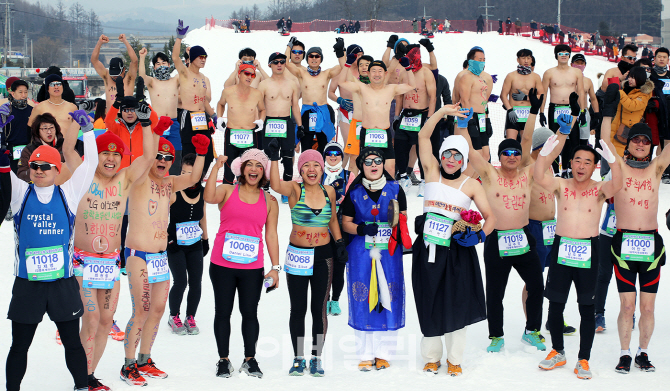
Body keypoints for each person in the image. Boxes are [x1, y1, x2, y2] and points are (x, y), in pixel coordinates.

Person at [455, 97, 572, 353]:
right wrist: (462, 127)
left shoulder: (528, 174)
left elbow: (550, 154)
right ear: (500, 157)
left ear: (521, 157)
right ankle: (496, 336)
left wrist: (563, 131)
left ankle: (532, 331)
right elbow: (471, 153)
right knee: (495, 292)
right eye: (506, 153)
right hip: (496, 238)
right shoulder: (489, 173)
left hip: (523, 236)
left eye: (516, 153)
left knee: (536, 285)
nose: (512, 156)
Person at [75, 106, 168, 391]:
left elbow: (149, 157)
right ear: (95, 156)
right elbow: (68, 152)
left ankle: (89, 376)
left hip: (111, 263)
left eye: (117, 154)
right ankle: (81, 378)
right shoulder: (82, 177)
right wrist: (81, 130)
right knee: (90, 318)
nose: (112, 159)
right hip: (83, 260)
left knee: (104, 321)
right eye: (106, 153)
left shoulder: (125, 180)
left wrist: (145, 124)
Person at [5, 111, 97, 391]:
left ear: (57, 170)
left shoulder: (67, 193)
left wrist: (89, 131)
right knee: (20, 345)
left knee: (72, 343)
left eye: (46, 166)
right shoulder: (21, 191)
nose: (39, 170)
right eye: (35, 166)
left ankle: (82, 386)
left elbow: (90, 164)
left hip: (61, 285)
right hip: (28, 285)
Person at [534, 112, 622, 381]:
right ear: (570, 162)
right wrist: (550, 146)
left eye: (588, 161)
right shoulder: (561, 184)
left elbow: (618, 184)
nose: (582, 166)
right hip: (562, 249)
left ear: (595, 166)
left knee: (586, 308)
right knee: (556, 304)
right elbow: (539, 175)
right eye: (577, 160)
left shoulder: (599, 189)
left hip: (588, 250)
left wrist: (613, 160)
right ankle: (558, 351)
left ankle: (583, 358)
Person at [120, 134, 210, 386]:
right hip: (138, 254)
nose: (162, 161)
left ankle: (145, 359)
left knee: (158, 310)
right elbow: (144, 158)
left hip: (160, 257)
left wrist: (201, 153)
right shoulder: (138, 178)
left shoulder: (170, 183)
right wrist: (151, 135)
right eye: (158, 156)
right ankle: (128, 365)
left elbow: (193, 178)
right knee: (141, 310)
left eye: (168, 158)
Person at [413, 105, 495, 375]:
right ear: (441, 156)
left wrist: (479, 235)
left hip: (457, 253)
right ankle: (432, 356)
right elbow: (423, 137)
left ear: (463, 160)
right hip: (427, 250)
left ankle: (455, 359)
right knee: (429, 301)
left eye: (457, 156)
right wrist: (441, 113)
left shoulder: (470, 183)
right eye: (447, 153)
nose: (451, 159)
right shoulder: (431, 172)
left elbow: (489, 217)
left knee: (456, 303)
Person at [596, 84, 667, 373]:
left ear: (651, 145)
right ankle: (625, 353)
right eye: (636, 140)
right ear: (630, 144)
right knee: (627, 307)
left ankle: (643, 352)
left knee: (648, 308)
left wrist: (665, 116)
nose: (640, 144)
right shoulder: (620, 168)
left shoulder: (656, 168)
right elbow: (604, 141)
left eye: (645, 141)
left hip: (651, 245)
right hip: (624, 243)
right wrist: (608, 113)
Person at [266, 141, 348, 376]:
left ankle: (316, 357)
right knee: (298, 308)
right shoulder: (294, 189)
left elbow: (332, 219)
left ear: (322, 170)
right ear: (300, 171)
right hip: (298, 256)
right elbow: (274, 184)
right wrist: (274, 158)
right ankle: (298, 357)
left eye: (316, 165)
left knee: (319, 309)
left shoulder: (329, 191)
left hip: (324, 256)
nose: (312, 170)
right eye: (306, 166)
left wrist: (340, 242)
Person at [204, 149, 279, 378]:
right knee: (223, 312)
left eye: (259, 165)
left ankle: (250, 358)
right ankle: (223, 359)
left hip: (251, 268)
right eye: (250, 164)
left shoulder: (270, 200)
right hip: (222, 265)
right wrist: (216, 167)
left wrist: (275, 268)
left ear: (263, 171)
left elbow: (271, 235)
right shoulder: (227, 190)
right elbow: (208, 198)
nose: (254, 169)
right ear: (241, 168)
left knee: (249, 312)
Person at [340, 146, 409, 371]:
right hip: (361, 253)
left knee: (389, 294)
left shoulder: (396, 190)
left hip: (389, 252)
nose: (373, 165)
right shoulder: (354, 192)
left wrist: (396, 229)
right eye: (368, 162)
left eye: (377, 161)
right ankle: (365, 353)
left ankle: (384, 353)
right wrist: (361, 229)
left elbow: (403, 220)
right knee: (363, 295)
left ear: (383, 165)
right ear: (361, 166)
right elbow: (345, 222)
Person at [338, 55, 416, 181]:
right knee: (367, 168)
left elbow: (411, 85)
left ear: (385, 74)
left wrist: (408, 68)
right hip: (367, 132)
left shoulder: (391, 89)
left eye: (380, 71)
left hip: (384, 133)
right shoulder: (362, 88)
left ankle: (388, 196)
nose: (377, 74)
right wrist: (347, 64)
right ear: (368, 74)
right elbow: (342, 82)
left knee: (390, 168)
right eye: (373, 71)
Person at [165, 153, 209, 337]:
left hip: (194, 244)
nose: (186, 177)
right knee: (181, 281)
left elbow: (203, 215)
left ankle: (190, 317)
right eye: (183, 172)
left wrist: (206, 239)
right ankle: (173, 315)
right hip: (175, 245)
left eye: (191, 173)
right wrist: (166, 238)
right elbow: (159, 216)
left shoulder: (203, 192)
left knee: (196, 282)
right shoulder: (173, 192)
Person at [284, 37, 345, 154]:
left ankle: (322, 171)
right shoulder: (301, 73)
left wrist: (340, 51)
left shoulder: (326, 74)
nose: (314, 58)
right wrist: (289, 46)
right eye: (311, 56)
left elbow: (344, 67)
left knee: (323, 146)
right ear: (307, 58)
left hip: (323, 112)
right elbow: (286, 63)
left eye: (317, 56)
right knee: (306, 147)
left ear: (321, 59)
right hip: (307, 112)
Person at [258, 52, 304, 203]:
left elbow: (295, 106)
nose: (279, 64)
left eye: (282, 62)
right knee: (267, 156)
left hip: (286, 122)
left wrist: (300, 125)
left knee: (288, 156)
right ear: (269, 64)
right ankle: (264, 186)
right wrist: (258, 123)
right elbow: (259, 107)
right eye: (276, 62)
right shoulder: (264, 84)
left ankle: (287, 189)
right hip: (269, 122)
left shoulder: (292, 84)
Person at [173, 20, 216, 178]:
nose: (203, 59)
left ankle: (198, 177)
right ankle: (185, 180)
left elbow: (204, 100)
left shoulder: (204, 78)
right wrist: (179, 38)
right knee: (188, 152)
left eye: (205, 56)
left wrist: (214, 115)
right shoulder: (184, 73)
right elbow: (175, 57)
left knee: (208, 153)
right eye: (200, 57)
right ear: (192, 58)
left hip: (201, 118)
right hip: (188, 116)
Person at [394, 42, 436, 194]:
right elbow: (399, 97)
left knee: (422, 149)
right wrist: (396, 116)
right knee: (400, 146)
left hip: (422, 113)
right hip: (406, 114)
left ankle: (425, 180)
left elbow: (432, 97)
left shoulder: (426, 72)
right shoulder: (404, 72)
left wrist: (430, 118)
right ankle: (403, 176)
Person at [539, 45, 586, 178]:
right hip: (555, 108)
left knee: (573, 140)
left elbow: (581, 92)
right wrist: (541, 112)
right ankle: (557, 171)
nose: (564, 55)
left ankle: (569, 169)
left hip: (572, 109)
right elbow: (544, 93)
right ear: (556, 55)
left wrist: (582, 111)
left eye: (566, 53)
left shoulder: (576, 73)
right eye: (560, 53)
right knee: (555, 140)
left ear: (569, 55)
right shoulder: (549, 73)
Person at [216, 64, 266, 184]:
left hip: (250, 133)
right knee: (229, 167)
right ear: (239, 74)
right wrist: (219, 118)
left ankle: (248, 195)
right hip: (232, 132)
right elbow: (220, 104)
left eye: (252, 75)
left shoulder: (257, 93)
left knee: (249, 167)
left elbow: (262, 109)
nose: (249, 77)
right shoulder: (228, 91)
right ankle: (227, 194)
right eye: (246, 73)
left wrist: (261, 120)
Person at [139, 48, 183, 175]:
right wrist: (142, 58)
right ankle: (154, 180)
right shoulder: (152, 82)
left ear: (169, 65)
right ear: (154, 67)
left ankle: (174, 182)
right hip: (157, 124)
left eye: (164, 62)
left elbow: (185, 72)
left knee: (176, 154)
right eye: (158, 63)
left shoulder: (175, 80)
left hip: (173, 123)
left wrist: (187, 56)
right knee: (156, 155)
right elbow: (142, 77)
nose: (161, 65)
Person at [321, 142, 351, 315]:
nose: (333, 156)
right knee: (323, 267)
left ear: (342, 156)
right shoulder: (317, 175)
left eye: (337, 153)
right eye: (329, 153)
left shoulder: (349, 175)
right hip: (322, 228)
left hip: (342, 229)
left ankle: (335, 300)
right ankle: (324, 299)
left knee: (339, 267)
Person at [106, 78, 159, 169]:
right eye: (126, 110)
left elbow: (154, 121)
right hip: (121, 172)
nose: (130, 113)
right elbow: (108, 121)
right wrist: (118, 101)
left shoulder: (145, 128)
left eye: (133, 110)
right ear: (121, 112)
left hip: (140, 171)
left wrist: (142, 102)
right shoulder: (117, 128)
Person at [328, 44, 365, 171]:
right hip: (346, 111)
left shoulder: (365, 72)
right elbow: (330, 92)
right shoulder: (341, 72)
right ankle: (340, 172)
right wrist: (340, 100)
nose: (359, 58)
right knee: (349, 146)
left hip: (361, 112)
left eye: (361, 55)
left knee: (360, 146)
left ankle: (356, 172)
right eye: (356, 55)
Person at [458, 46, 494, 164]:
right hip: (471, 117)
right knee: (475, 154)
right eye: (479, 60)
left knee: (486, 154)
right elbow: (465, 100)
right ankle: (470, 179)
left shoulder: (481, 78)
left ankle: (480, 179)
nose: (482, 62)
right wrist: (470, 120)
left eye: (484, 60)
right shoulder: (466, 77)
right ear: (471, 61)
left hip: (482, 117)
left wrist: (487, 119)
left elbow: (484, 100)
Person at [17, 113, 73, 184]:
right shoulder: (29, 149)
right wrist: (35, 167)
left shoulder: (65, 145)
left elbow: (76, 166)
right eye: (45, 128)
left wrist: (63, 167)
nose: (49, 132)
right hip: (39, 187)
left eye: (51, 128)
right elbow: (21, 175)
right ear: (37, 131)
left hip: (63, 186)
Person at [501, 49, 544, 141]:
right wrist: (509, 110)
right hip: (513, 112)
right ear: (518, 60)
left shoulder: (536, 77)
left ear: (531, 60)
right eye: (523, 58)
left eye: (528, 58)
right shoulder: (511, 76)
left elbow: (541, 95)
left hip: (528, 114)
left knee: (525, 142)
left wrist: (526, 97)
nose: (526, 61)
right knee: (511, 142)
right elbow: (503, 95)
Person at [609, 67, 653, 157]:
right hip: (615, 127)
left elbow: (632, 106)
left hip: (627, 131)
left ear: (640, 78)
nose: (629, 79)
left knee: (620, 158)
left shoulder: (644, 94)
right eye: (629, 76)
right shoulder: (625, 88)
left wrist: (620, 93)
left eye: (633, 77)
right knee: (609, 155)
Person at [91, 34, 138, 113]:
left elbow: (134, 61)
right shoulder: (107, 77)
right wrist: (99, 43)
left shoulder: (129, 78)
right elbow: (94, 61)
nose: (115, 77)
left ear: (123, 70)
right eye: (113, 74)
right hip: (111, 120)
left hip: (127, 119)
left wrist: (125, 41)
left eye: (117, 74)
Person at [342, 54, 373, 176]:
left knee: (372, 158)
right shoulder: (355, 83)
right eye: (361, 65)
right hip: (357, 124)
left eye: (367, 65)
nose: (364, 67)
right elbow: (343, 74)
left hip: (373, 126)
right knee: (353, 159)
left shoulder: (378, 85)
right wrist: (341, 55)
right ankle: (351, 188)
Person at [1, 79, 33, 174]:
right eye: (20, 92)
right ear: (13, 93)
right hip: (10, 151)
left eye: (25, 92)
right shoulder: (6, 111)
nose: (23, 95)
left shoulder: (33, 111)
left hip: (29, 150)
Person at [571, 54, 602, 147]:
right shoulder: (566, 79)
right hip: (569, 112)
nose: (580, 65)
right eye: (577, 62)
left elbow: (593, 98)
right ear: (571, 64)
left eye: (582, 63)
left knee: (583, 139)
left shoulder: (587, 81)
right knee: (569, 140)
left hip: (583, 112)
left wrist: (597, 114)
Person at [652, 47, 670, 183]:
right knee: (655, 142)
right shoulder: (649, 75)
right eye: (659, 57)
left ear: (668, 60)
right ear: (655, 58)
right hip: (653, 113)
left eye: (664, 57)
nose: (662, 59)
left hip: (668, 113)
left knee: (667, 142)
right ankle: (654, 169)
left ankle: (665, 171)